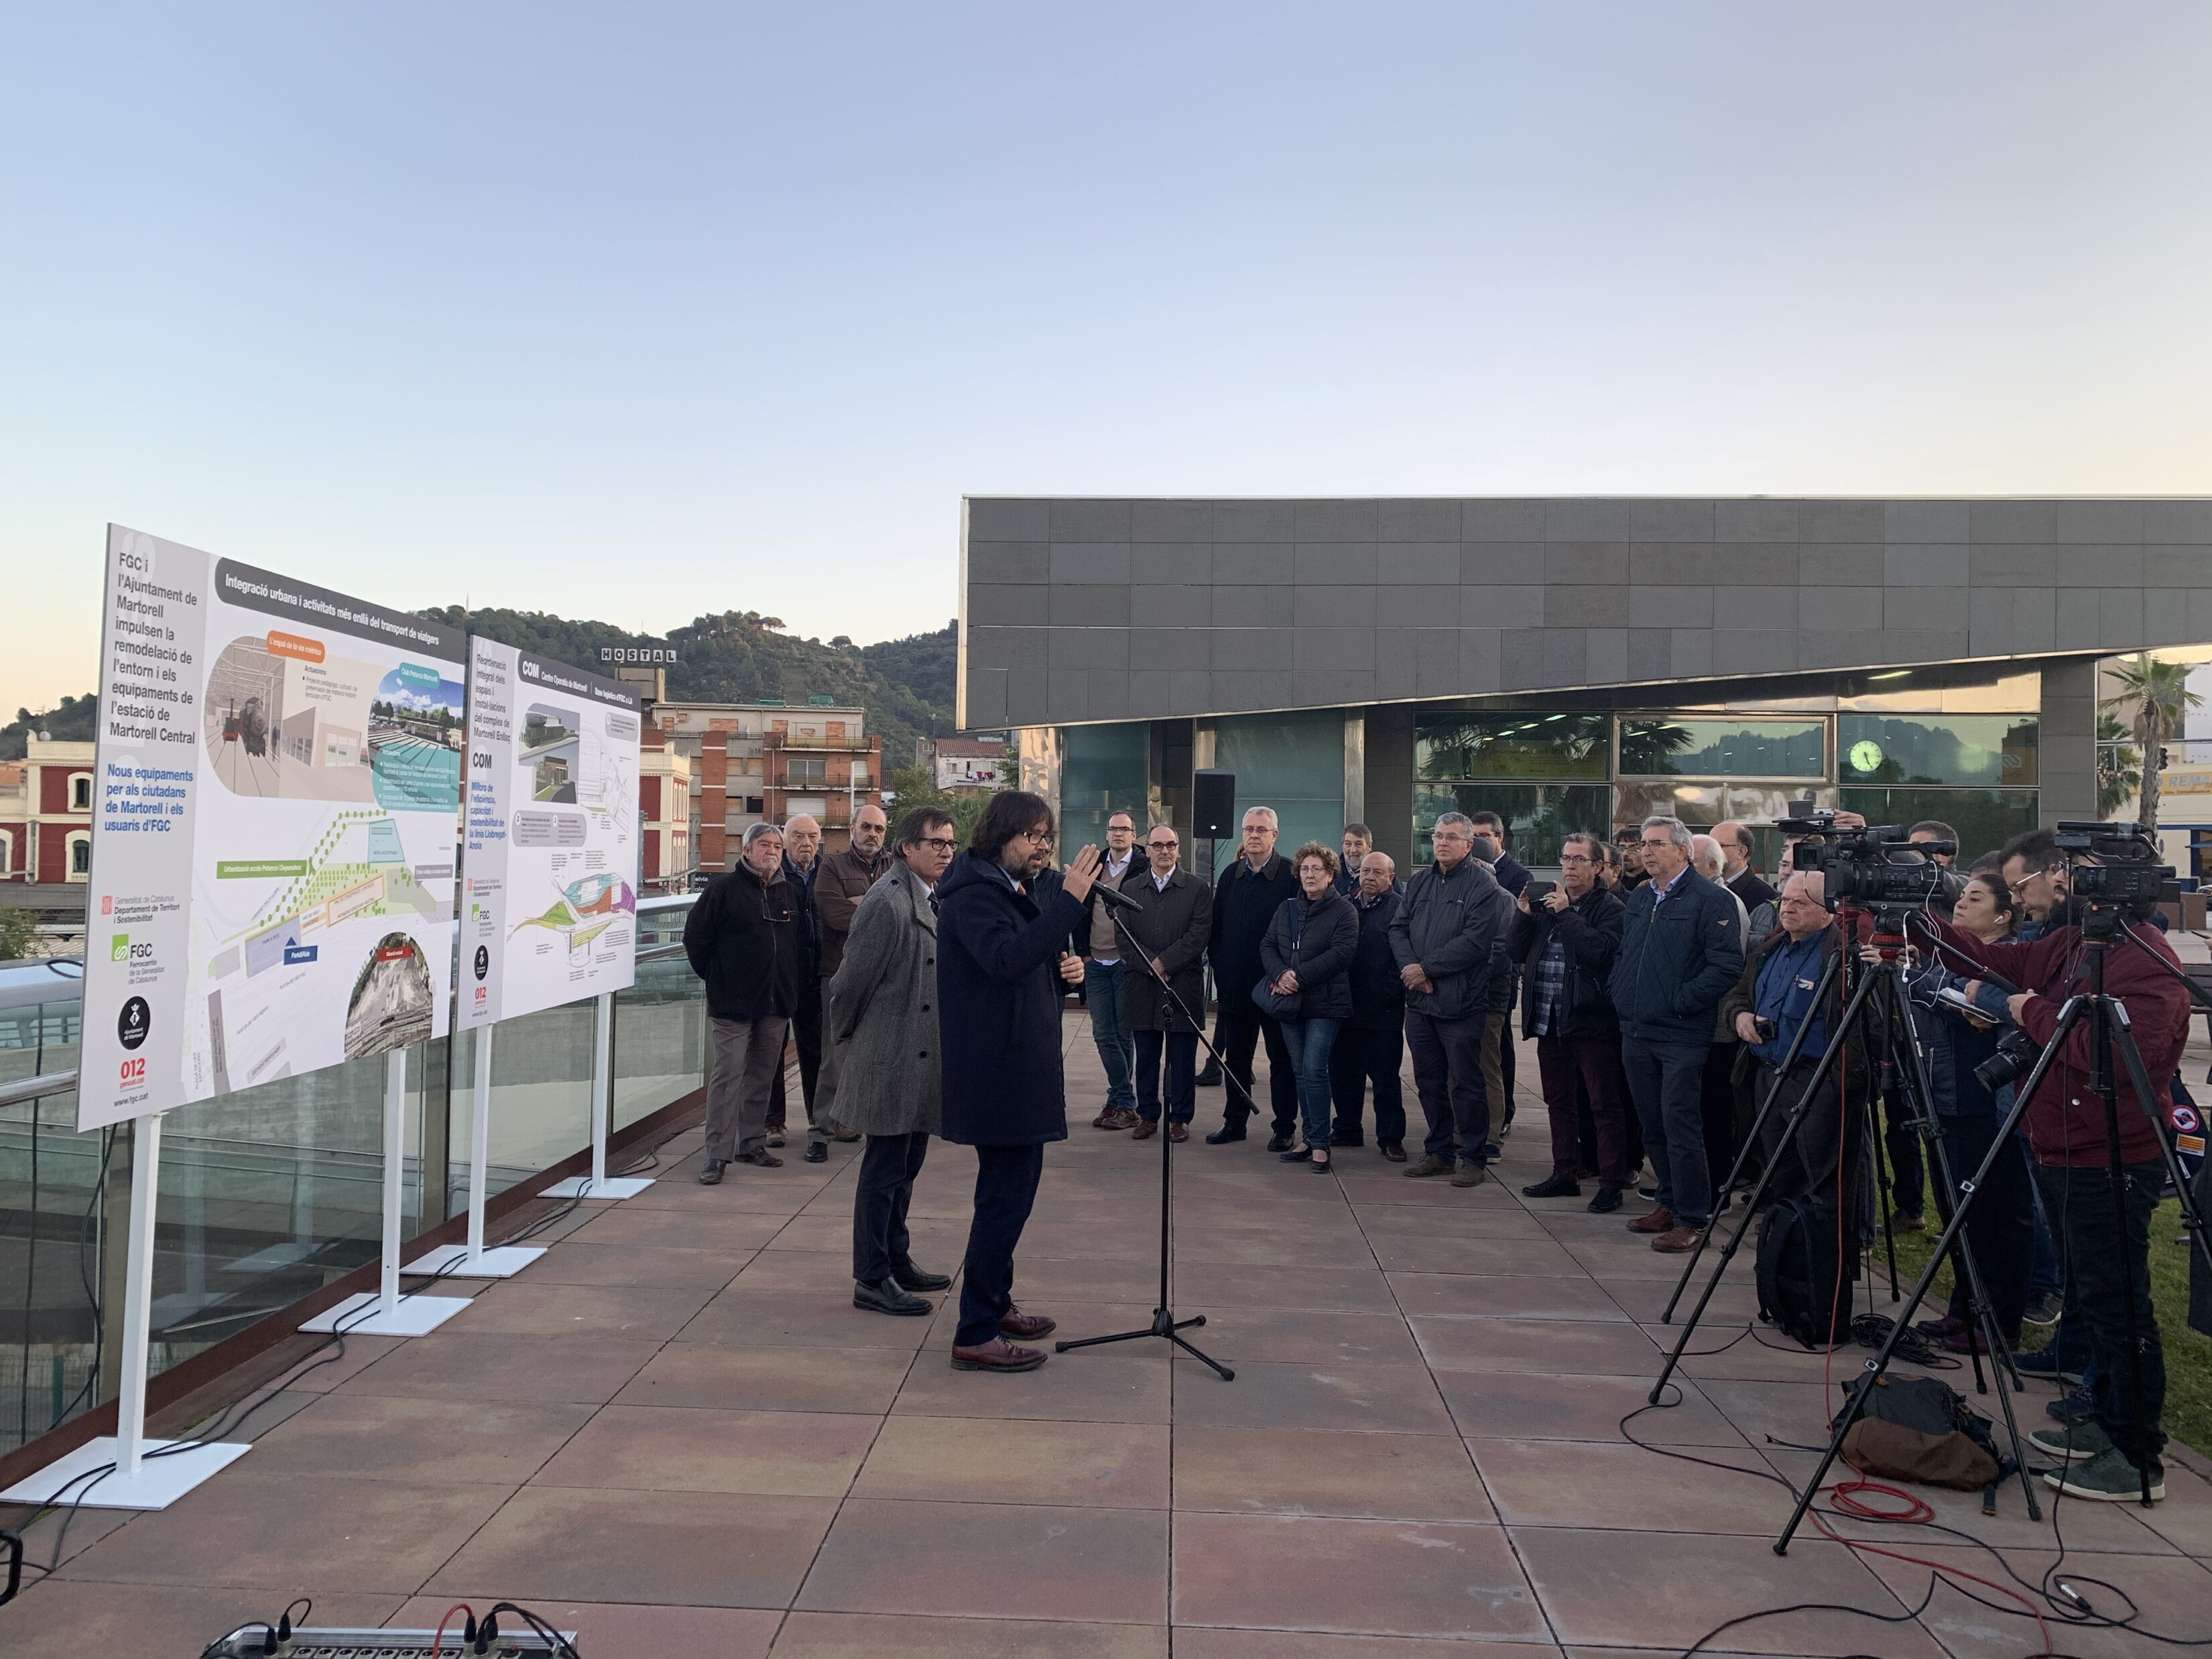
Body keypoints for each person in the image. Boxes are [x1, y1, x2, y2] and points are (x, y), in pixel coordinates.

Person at [1916, 827, 2191, 1501]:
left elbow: (2107, 1056)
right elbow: (1993, 959)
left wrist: (2031, 1010)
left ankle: (2136, 1454)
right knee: (2091, 1297)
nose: (2030, 896)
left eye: (2029, 884)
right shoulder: (2076, 942)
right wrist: (1913, 918)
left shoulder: (2144, 958)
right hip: (2062, 1147)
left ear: (2095, 879)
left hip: (2111, 1157)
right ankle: (2106, 1419)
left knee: (2118, 1304)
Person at [934, 790, 1101, 1373]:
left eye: (1047, 837)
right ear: (999, 834)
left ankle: (996, 1303)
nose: (1043, 847)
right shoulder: (974, 894)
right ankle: (976, 1330)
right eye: (1032, 836)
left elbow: (1020, 964)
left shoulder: (1007, 888)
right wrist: (1070, 904)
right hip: (996, 1075)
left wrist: (1063, 971)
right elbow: (1003, 961)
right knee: (1002, 1203)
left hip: (1017, 1069)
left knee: (1011, 1196)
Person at [1900, 868, 2035, 1355]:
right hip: (1946, 1092)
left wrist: (1929, 984)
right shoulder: (1953, 960)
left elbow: (1986, 1006)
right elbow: (1936, 996)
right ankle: (1964, 1309)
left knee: (1996, 1212)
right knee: (1960, 1211)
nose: (1961, 903)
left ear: (2002, 915)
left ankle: (1998, 1320)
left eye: (1976, 898)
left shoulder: (2009, 959)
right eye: (1963, 896)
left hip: (1987, 1099)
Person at [831, 807, 959, 1317]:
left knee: (907, 1166)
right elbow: (849, 982)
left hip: (919, 1055)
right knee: (883, 1170)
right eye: (936, 843)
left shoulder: (928, 894)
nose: (946, 852)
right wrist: (849, 1035)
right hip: (889, 1054)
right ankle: (871, 1276)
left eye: (950, 843)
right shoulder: (886, 901)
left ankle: (896, 1258)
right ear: (907, 848)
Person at [1610, 815, 1745, 1251]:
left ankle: (1692, 1217)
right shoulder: (1640, 896)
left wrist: (1680, 1000)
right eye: (1643, 844)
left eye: (1656, 844)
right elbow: (1626, 952)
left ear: (1683, 851)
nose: (1645, 851)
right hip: (1636, 1029)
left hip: (1681, 1034)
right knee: (1652, 1123)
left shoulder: (1711, 899)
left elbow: (1727, 966)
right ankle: (1668, 1201)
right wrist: (1620, 990)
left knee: (1680, 1123)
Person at [1718, 872, 1865, 1237]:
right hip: (1768, 1076)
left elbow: (1866, 1028)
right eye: (1785, 900)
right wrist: (1740, 1017)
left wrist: (1842, 1081)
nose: (1788, 908)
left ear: (1828, 910)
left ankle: (1823, 1249)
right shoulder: (1769, 948)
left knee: (1820, 1175)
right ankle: (1787, 1242)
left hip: (1817, 1080)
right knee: (1778, 1169)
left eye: (1800, 902)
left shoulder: (1844, 956)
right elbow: (1738, 995)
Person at [1391, 812, 1515, 1188]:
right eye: (1438, 836)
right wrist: (1411, 968)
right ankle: (1439, 1152)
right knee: (1428, 1081)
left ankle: (1473, 1157)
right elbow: (1398, 928)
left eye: (1451, 837)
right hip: (1420, 1002)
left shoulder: (1483, 886)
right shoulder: (1420, 882)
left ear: (1468, 845)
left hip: (1462, 1003)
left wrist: (1426, 969)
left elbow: (1476, 943)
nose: (1442, 843)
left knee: (1466, 1083)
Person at [1510, 832, 1630, 1210]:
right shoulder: (1548, 903)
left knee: (1604, 1105)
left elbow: (1599, 953)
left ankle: (1611, 1182)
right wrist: (1524, 915)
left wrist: (1565, 914)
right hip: (1550, 1017)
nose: (1570, 866)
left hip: (1591, 1020)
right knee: (1558, 1102)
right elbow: (1515, 951)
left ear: (1599, 867)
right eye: (1565, 859)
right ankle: (1564, 1173)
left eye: (1579, 860)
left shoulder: (1611, 908)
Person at [685, 822, 799, 1182]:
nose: (772, 851)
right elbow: (695, 940)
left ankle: (751, 1143)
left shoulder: (788, 892)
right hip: (732, 1003)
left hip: (775, 1002)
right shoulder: (722, 890)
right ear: (746, 850)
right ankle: (717, 1155)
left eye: (777, 847)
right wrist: (718, 978)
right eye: (764, 844)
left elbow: (800, 944)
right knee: (728, 1077)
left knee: (762, 1077)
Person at [1204, 807, 1300, 1148]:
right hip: (1236, 988)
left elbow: (1299, 932)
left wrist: (1287, 975)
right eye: (1248, 829)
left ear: (1275, 835)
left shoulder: (1291, 875)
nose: (1254, 835)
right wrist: (1221, 967)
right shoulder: (1231, 875)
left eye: (1261, 829)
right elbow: (1216, 928)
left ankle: (1284, 1128)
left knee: (1281, 1061)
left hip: (1276, 988)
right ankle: (1235, 1123)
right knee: (1236, 1061)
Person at [1262, 843, 1360, 1172]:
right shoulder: (1286, 908)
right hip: (1290, 1003)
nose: (1309, 875)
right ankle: (1308, 1137)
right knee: (1300, 1072)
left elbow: (1342, 954)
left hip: (1325, 1005)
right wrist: (1281, 974)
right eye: (1304, 869)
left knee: (1315, 1069)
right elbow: (1268, 945)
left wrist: (1299, 977)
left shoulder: (1344, 911)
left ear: (1330, 874)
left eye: (1316, 869)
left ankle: (1320, 1144)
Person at [1114, 823, 1212, 1141]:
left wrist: (1164, 963)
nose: (1164, 851)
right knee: (1146, 1057)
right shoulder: (1130, 889)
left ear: (1178, 850)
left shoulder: (1197, 888)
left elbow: (1198, 935)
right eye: (1157, 845)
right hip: (1142, 987)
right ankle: (1148, 1116)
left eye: (1170, 845)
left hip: (1182, 985)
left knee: (1182, 1058)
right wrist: (1151, 965)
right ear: (1148, 851)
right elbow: (1123, 937)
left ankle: (1180, 1119)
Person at [808, 802, 892, 1161]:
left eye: (879, 829)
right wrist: (880, 909)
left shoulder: (896, 867)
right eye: (866, 827)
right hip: (839, 974)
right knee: (835, 1057)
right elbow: (834, 914)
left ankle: (864, 1124)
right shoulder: (832, 867)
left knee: (883, 1055)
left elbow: (912, 909)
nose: (872, 834)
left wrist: (860, 903)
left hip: (885, 976)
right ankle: (821, 1132)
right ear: (852, 829)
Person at [1329, 851, 1409, 1160]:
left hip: (1382, 1012)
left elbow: (1404, 956)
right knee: (1343, 1075)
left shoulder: (1400, 909)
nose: (1370, 877)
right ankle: (1347, 1128)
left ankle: (1391, 1138)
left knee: (1385, 1080)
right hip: (1344, 1008)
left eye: (1377, 872)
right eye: (1365, 871)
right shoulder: (1345, 905)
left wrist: (1388, 992)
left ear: (1391, 877)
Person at [1693, 834, 1756, 1202]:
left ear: (1713, 866)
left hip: (1716, 1026)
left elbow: (1728, 968)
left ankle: (1715, 1189)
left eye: (1692, 861)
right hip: (1696, 1023)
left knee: (1714, 1111)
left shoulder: (1724, 901)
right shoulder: (1695, 897)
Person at [1074, 809, 1142, 1129]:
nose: (1118, 834)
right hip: (1096, 962)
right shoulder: (1095, 865)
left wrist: (1135, 956)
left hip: (1125, 962)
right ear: (1107, 833)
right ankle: (1123, 1100)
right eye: (1113, 829)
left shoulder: (1143, 866)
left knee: (1123, 1033)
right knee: (1103, 1033)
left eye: (1124, 829)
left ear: (1133, 834)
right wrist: (1084, 954)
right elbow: (1077, 908)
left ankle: (1120, 1102)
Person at [1467, 812, 1525, 1138]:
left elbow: (1502, 952)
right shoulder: (1460, 896)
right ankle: (1463, 1131)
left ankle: (1490, 1135)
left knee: (1490, 1064)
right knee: (1461, 1069)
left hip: (1489, 997)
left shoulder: (1505, 899)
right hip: (1458, 997)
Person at [767, 813, 823, 1148]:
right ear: (785, 839)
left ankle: (821, 1118)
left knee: (816, 1051)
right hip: (779, 979)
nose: (806, 843)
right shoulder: (772, 874)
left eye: (812, 837)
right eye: (799, 836)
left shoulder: (826, 873)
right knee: (773, 1052)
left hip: (815, 976)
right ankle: (774, 1123)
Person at [1909, 819, 1970, 920]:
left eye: (1918, 849)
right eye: (1909, 848)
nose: (1910, 853)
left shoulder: (1965, 882)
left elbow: (1953, 885)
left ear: (1943, 855)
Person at [1712, 819, 1778, 911]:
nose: (1712, 852)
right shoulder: (1703, 887)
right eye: (1710, 846)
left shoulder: (1766, 897)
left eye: (1719, 846)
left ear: (1741, 852)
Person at [1335, 823, 1374, 898]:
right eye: (1348, 844)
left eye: (1358, 844)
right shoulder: (1331, 873)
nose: (1353, 850)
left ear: (1369, 847)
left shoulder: (1383, 875)